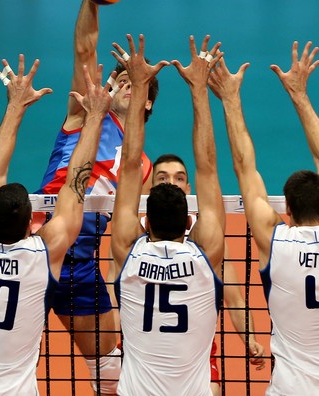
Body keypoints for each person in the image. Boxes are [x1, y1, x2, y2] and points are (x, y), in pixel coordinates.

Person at [0, 55, 112, 395]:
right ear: (30, 225)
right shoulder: (41, 255)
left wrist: (15, 106)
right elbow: (75, 184)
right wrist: (95, 116)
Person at [209, 41, 319, 395]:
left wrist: (230, 100)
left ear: (288, 213)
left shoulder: (277, 242)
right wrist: (299, 94)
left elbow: (244, 168)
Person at [36, 0, 159, 394]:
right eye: (119, 78)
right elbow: (85, 49)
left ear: (147, 100)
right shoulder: (85, 113)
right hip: (34, 247)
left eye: (135, 82)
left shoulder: (142, 165)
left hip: (79, 266)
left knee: (111, 367)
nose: (124, 82)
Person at [111, 34, 225, 395]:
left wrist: (140, 87)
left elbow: (129, 167)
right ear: (190, 222)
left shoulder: (129, 250)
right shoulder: (205, 253)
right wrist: (199, 89)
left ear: (145, 221)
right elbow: (206, 167)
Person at [151, 155, 266, 393]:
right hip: (144, 355)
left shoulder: (207, 240)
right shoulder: (135, 235)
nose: (172, 183)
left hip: (196, 358)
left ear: (189, 189)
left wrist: (250, 339)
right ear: (149, 187)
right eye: (163, 178)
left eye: (179, 178)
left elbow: (235, 300)